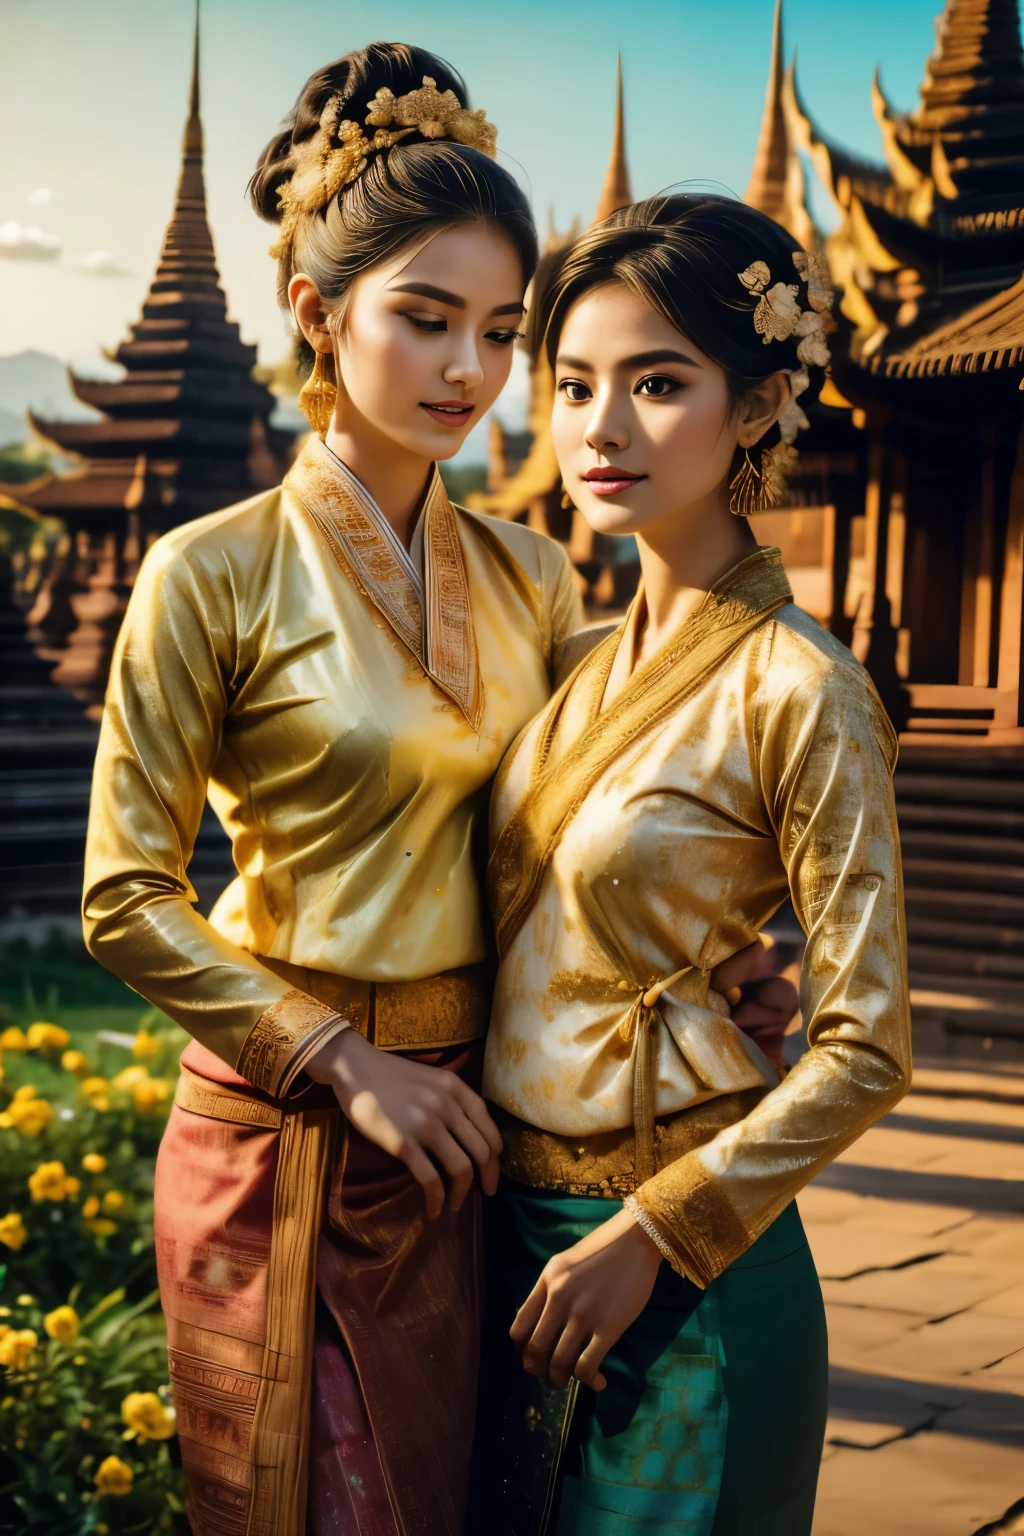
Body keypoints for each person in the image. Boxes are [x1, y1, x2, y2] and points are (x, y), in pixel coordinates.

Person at [81, 47, 798, 1535]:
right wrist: (342, 1061)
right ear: (315, 314)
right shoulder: (207, 573)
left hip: (476, 1136)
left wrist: (717, 958)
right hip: (287, 1145)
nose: (468, 369)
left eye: (496, 330)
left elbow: (592, 829)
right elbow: (122, 899)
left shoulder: (537, 579)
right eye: (425, 318)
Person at [479, 194, 912, 1536]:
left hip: (687, 1278)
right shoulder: (565, 664)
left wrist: (656, 1238)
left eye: (659, 383)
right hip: (507, 1251)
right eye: (574, 384)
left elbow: (869, 1044)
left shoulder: (805, 689)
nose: (602, 428)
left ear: (761, 399)